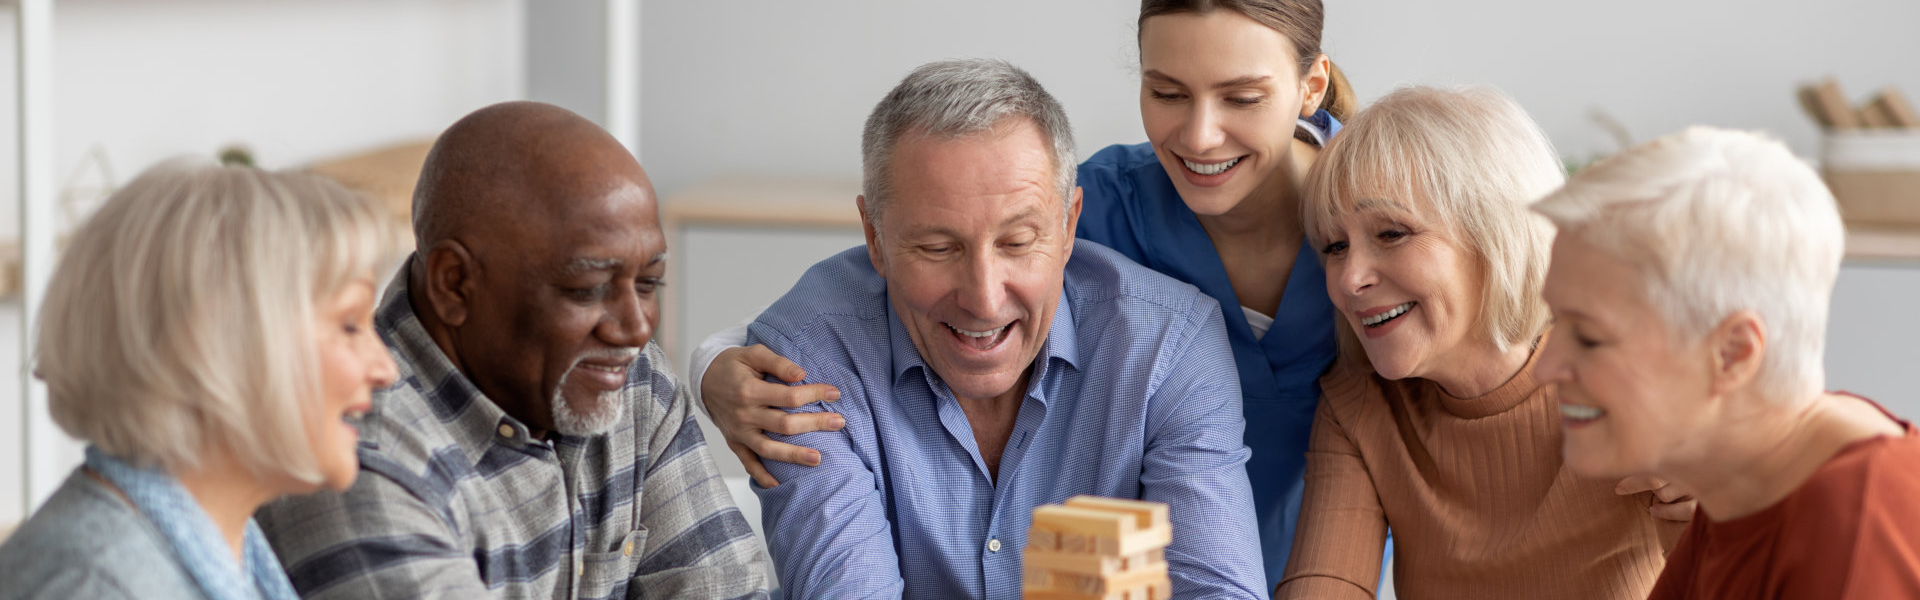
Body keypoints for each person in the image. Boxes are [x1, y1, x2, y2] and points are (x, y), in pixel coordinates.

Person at [694, 0, 1361, 586]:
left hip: (1330, 556)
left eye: (1241, 97)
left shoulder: (1384, 208)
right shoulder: (1101, 202)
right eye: (1167, 92)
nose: (1198, 135)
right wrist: (715, 363)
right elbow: (885, 282)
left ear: (1310, 86)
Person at [748, 59, 1265, 599]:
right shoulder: (805, 358)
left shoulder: (1171, 345)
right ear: (874, 240)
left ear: (1068, 226)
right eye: (938, 248)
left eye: (1017, 243)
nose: (984, 298)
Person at [255, 102, 771, 600]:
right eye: (587, 289)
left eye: (648, 283)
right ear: (454, 284)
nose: (635, 330)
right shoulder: (348, 455)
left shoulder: (631, 381)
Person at [1277, 86, 1685, 599]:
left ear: (1496, 232)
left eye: (1392, 234)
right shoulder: (1360, 406)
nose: (1349, 278)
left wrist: (1710, 519)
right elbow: (1326, 584)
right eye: (1336, 246)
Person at [1534, 127, 1920, 599]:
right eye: (1555, 322)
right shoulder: (1738, 480)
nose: (1546, 368)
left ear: (1733, 354)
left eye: (1590, 338)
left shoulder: (1853, 532)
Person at [0, 161, 399, 599]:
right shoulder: (92, 585)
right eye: (349, 325)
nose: (385, 369)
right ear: (221, 346)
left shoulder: (226, 549)